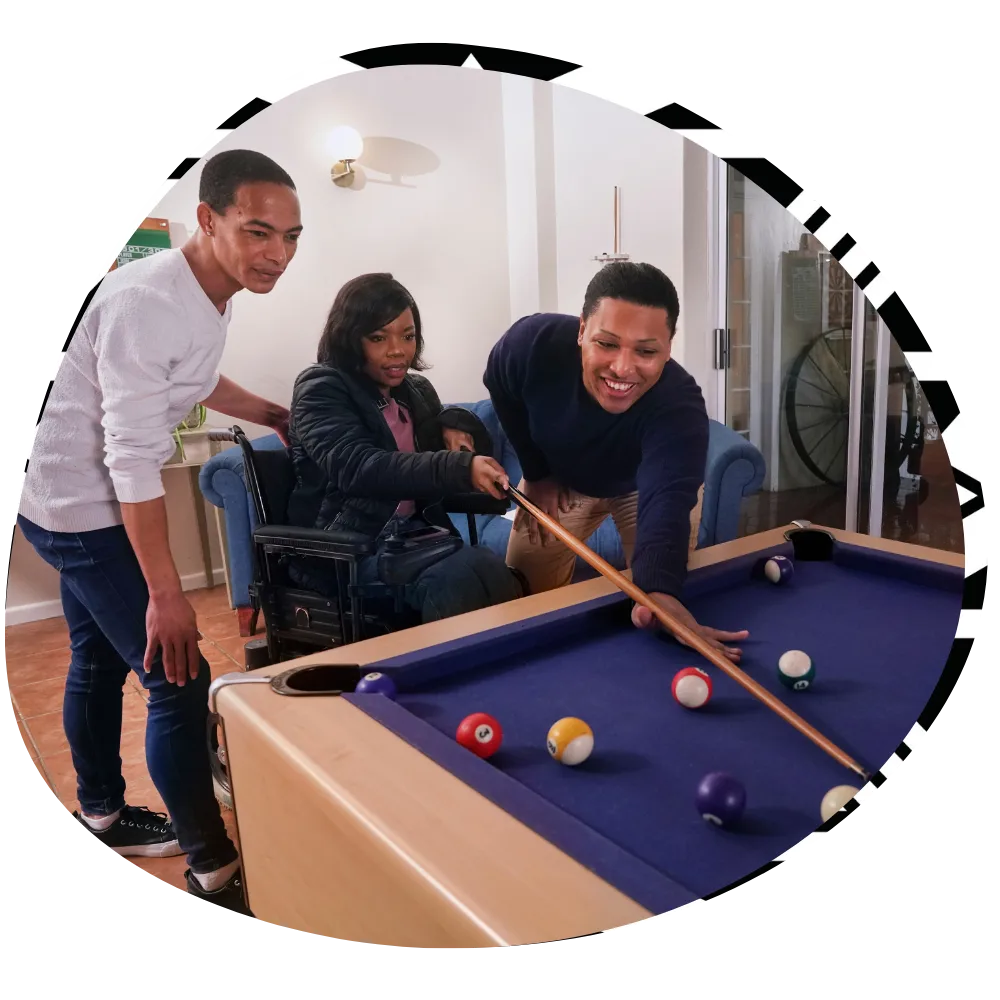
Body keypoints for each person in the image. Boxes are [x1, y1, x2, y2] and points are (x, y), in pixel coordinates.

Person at [16, 148, 304, 918]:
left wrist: (270, 412)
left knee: (92, 658)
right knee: (177, 680)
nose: (276, 254)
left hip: (70, 500)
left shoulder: (210, 291)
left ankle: (104, 818)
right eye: (258, 232)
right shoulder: (147, 299)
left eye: (291, 237)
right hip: (85, 509)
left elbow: (195, 376)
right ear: (208, 220)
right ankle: (212, 871)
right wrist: (165, 593)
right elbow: (131, 458)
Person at [483, 261, 749, 662]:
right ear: (581, 331)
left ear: (669, 348)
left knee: (653, 601)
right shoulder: (531, 343)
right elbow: (499, 382)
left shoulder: (680, 405)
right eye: (606, 344)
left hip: (641, 488)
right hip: (563, 480)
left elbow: (668, 501)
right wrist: (537, 472)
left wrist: (659, 592)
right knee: (523, 596)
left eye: (645, 351)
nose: (622, 368)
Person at [286, 272, 525, 622]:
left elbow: (432, 458)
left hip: (416, 539)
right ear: (350, 338)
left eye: (408, 336)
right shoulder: (321, 388)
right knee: (454, 581)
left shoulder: (416, 391)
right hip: (348, 550)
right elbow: (359, 468)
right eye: (378, 337)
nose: (398, 350)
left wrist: (457, 429)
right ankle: (448, 676)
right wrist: (455, 467)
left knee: (493, 569)